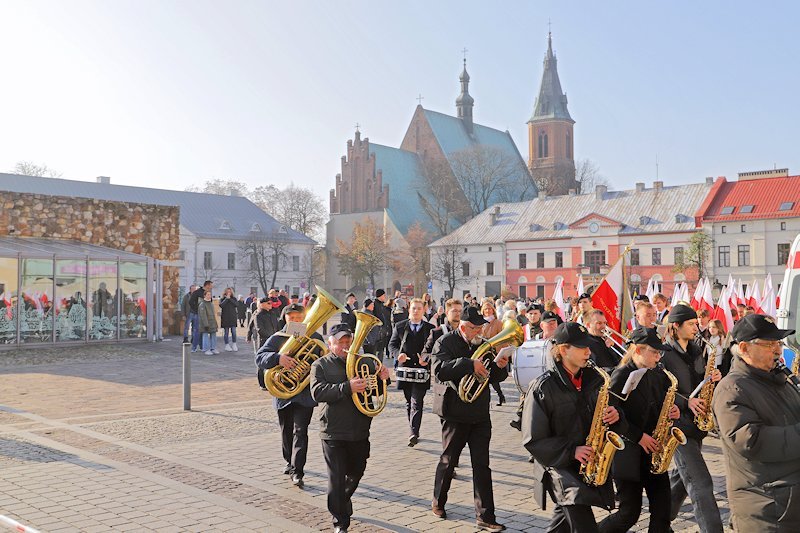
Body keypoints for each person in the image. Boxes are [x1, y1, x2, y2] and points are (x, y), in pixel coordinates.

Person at [522, 322, 622, 532]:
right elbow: (533, 439)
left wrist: (615, 415)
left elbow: (605, 412)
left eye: (588, 346)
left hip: (586, 463)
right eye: (582, 347)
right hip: (559, 467)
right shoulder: (542, 387)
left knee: (561, 525)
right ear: (563, 349)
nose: (589, 351)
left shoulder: (594, 380)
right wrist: (572, 451)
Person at [712, 314, 800, 531]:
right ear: (744, 348)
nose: (778, 350)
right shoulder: (731, 389)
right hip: (768, 508)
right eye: (769, 344)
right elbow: (751, 441)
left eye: (778, 343)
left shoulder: (778, 379)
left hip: (788, 502)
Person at [430, 306, 511, 531]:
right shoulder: (445, 343)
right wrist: (468, 363)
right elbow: (440, 370)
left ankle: (486, 516)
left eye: (481, 327)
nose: (480, 332)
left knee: (482, 465)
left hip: (479, 413)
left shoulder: (482, 345)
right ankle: (438, 500)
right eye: (475, 328)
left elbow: (493, 376)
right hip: (454, 413)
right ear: (464, 327)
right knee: (449, 460)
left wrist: (500, 367)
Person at [310, 323, 390, 533]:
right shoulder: (321, 365)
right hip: (333, 431)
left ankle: (341, 501)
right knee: (336, 479)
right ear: (330, 344)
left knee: (357, 471)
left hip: (359, 428)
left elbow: (375, 393)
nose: (345, 345)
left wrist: (384, 379)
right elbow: (318, 393)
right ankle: (340, 522)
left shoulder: (364, 362)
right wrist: (347, 387)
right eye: (340, 342)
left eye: (348, 341)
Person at [598, 327, 678, 533]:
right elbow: (611, 416)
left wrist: (672, 410)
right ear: (638, 351)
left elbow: (660, 402)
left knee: (662, 510)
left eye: (660, 353)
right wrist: (638, 436)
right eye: (654, 352)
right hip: (629, 454)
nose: (658, 357)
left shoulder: (655, 373)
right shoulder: (622, 374)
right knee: (629, 514)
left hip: (653, 451)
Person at [660, 304, 723, 532]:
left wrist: (712, 377)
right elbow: (659, 390)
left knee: (681, 478)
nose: (697, 328)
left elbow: (698, 380)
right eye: (692, 324)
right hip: (676, 427)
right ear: (676, 327)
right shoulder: (663, 354)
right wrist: (686, 401)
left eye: (697, 323)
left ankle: (660, 520)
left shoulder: (697, 350)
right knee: (701, 483)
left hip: (695, 424)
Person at [255, 303, 320, 488]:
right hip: (283, 393)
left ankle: (298, 471)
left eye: (299, 317)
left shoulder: (314, 337)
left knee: (301, 431)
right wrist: (278, 358)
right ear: (285, 318)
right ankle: (289, 460)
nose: (295, 320)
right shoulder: (278, 338)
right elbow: (259, 357)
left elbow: (323, 360)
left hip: (305, 393)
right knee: (286, 431)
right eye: (291, 317)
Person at [389, 298, 436, 446]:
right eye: (413, 308)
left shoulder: (430, 328)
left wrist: (426, 359)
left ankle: (413, 432)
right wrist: (398, 355)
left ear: (423, 311)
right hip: (405, 370)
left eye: (419, 309)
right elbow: (392, 345)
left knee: (417, 401)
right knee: (409, 402)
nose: (416, 311)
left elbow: (435, 350)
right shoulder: (400, 326)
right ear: (409, 310)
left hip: (422, 371)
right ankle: (413, 427)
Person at [481, 299, 506, 406]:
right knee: (483, 376)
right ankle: (486, 400)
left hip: (494, 352)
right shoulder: (481, 322)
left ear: (493, 310)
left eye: (490, 309)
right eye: (486, 309)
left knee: (493, 377)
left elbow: (502, 338)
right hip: (483, 353)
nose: (488, 311)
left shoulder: (498, 323)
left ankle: (500, 395)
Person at [252, 297, 281, 389]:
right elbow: (260, 329)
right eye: (268, 303)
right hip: (263, 341)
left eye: (271, 303)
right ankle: (262, 383)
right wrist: (271, 338)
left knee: (274, 361)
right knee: (262, 362)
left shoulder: (273, 314)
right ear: (262, 304)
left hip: (274, 341)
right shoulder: (258, 315)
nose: (270, 304)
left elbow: (277, 327)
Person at [188, 280, 212, 352]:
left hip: (205, 314)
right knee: (197, 331)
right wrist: (197, 309)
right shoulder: (197, 292)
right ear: (207, 285)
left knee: (203, 330)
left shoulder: (208, 293)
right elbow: (191, 302)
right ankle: (194, 347)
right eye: (211, 286)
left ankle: (202, 346)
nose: (211, 287)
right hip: (197, 314)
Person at [198, 290, 219, 355]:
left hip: (212, 322)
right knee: (205, 335)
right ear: (204, 296)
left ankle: (213, 348)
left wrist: (215, 323)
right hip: (205, 323)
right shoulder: (202, 304)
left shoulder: (211, 304)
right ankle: (206, 349)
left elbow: (213, 314)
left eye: (210, 295)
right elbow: (203, 315)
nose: (209, 296)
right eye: (208, 295)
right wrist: (206, 324)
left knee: (213, 335)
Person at [373, 289, 392, 360]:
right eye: (384, 295)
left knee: (381, 350)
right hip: (377, 331)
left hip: (383, 331)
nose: (385, 297)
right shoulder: (374, 304)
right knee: (377, 350)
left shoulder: (382, 305)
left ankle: (380, 365)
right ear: (380, 296)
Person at [219, 287, 239, 352]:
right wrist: (226, 299)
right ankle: (227, 345)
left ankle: (234, 343)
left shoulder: (234, 298)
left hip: (232, 317)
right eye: (227, 292)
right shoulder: (222, 299)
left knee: (233, 331)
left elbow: (236, 304)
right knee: (226, 332)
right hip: (225, 317)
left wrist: (230, 299)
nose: (228, 293)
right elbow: (221, 305)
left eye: (230, 292)